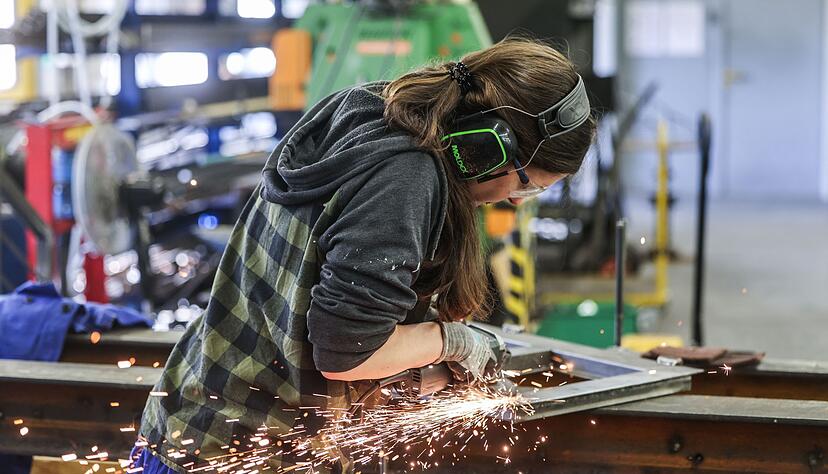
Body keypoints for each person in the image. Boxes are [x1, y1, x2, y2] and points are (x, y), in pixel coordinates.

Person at [132, 36, 595, 473]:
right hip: (236, 452)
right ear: (488, 145)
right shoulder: (406, 179)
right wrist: (454, 341)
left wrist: (424, 371)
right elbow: (345, 351)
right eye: (526, 183)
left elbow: (320, 305)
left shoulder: (372, 108)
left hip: (187, 416)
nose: (516, 199)